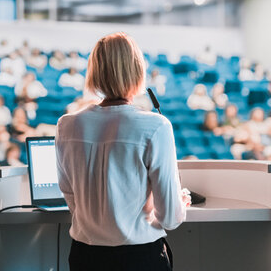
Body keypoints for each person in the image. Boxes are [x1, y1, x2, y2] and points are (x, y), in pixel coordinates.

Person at [56, 33, 189, 271]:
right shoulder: (156, 126)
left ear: (94, 71)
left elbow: (71, 197)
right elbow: (170, 218)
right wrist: (179, 202)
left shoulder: (66, 125)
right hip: (139, 257)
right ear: (137, 70)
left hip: (84, 256)